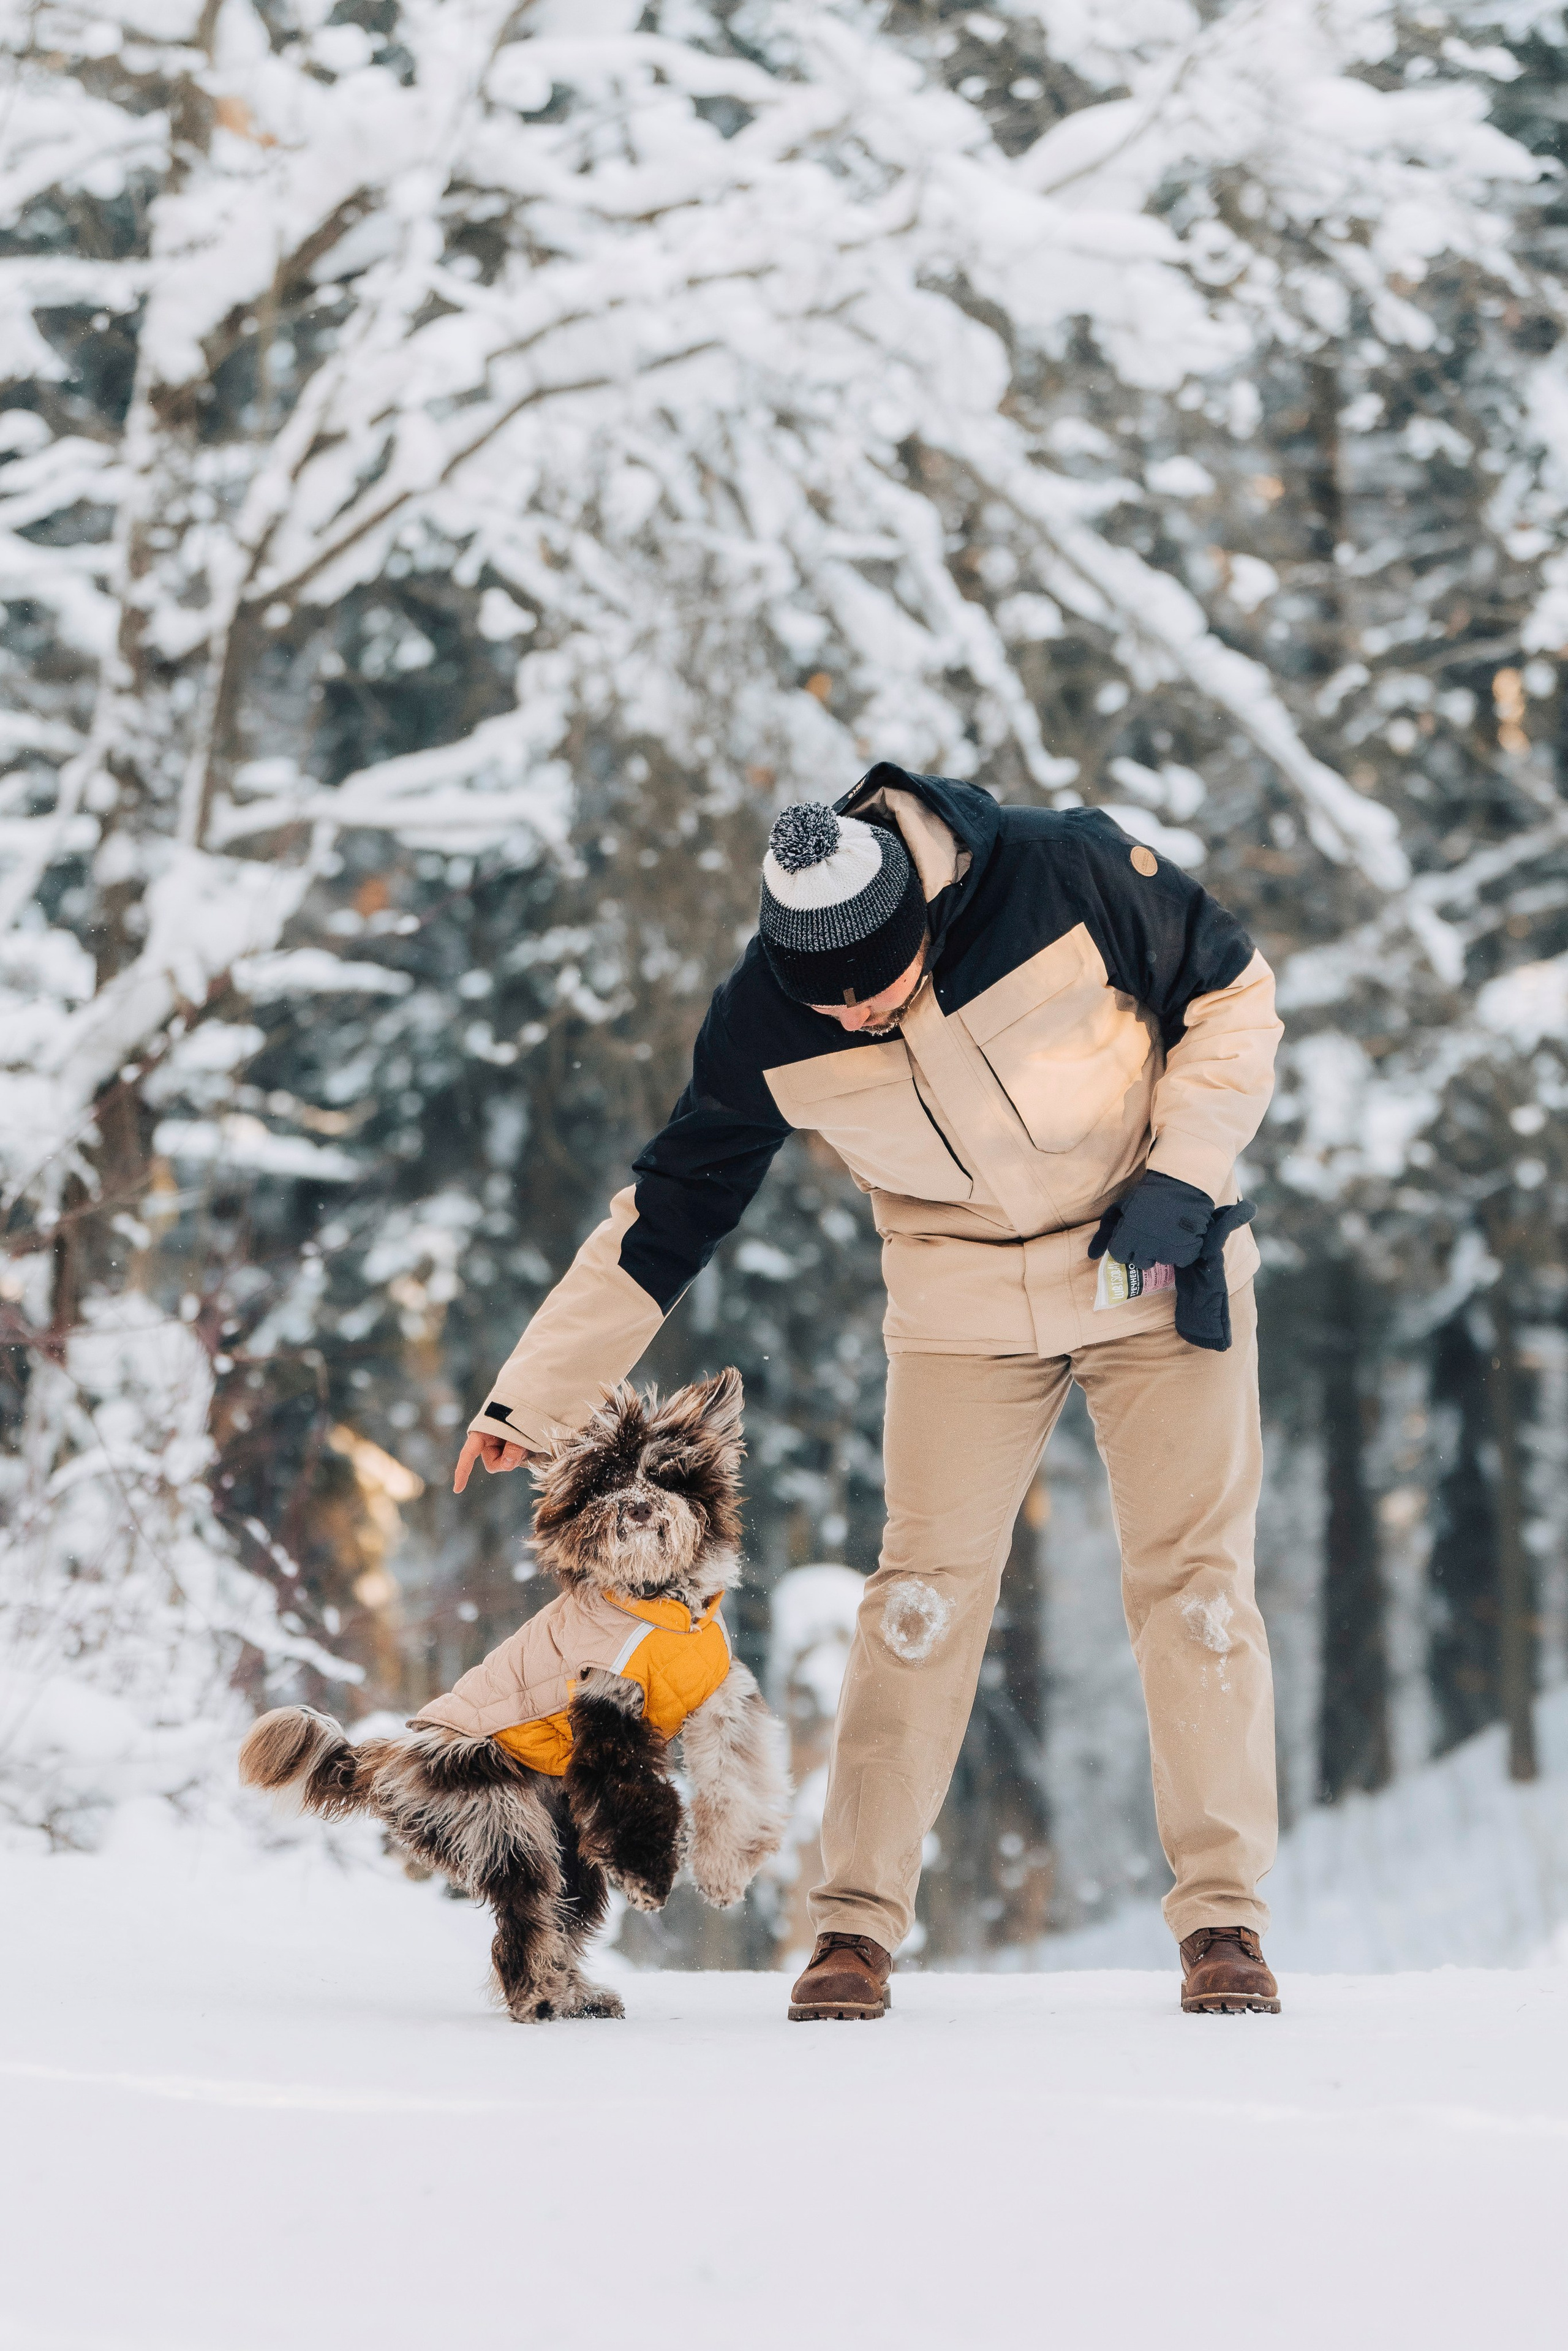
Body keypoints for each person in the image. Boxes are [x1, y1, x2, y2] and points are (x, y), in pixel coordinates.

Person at [453, 761, 1285, 2018]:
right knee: (917, 1601)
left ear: (922, 920)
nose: (851, 1014)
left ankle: (1221, 1917)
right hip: (960, 1305)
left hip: (1148, 1259)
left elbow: (1231, 996)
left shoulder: (1061, 871)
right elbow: (667, 1212)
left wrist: (1186, 1167)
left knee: (1193, 1585)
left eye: (875, 985)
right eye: (823, 999)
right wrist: (529, 1394)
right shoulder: (765, 1016)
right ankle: (852, 1929)